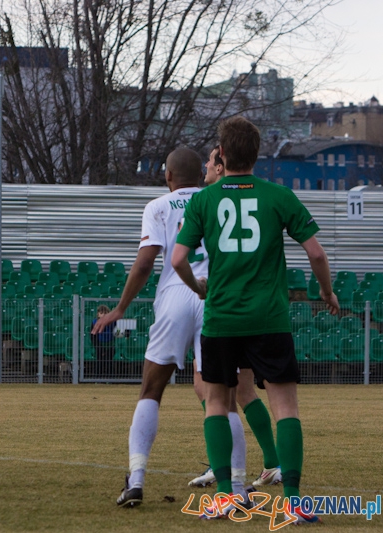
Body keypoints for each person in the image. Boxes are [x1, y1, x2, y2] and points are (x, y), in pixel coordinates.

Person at [172, 116, 338, 524]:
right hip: (269, 318)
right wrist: (326, 291)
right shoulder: (278, 196)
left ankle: (226, 496)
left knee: (215, 402)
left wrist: (197, 286)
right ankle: (295, 501)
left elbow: (177, 258)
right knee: (285, 406)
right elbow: (317, 253)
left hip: (222, 318)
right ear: (257, 154)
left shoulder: (203, 200)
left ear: (222, 155)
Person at [92, 147, 210, 508]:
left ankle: (137, 480)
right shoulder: (218, 200)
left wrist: (119, 309)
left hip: (175, 293)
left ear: (168, 176)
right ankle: (232, 481)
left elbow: (144, 264)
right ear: (201, 174)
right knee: (219, 394)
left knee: (151, 389)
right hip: (215, 297)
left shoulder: (158, 206)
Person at [188, 145, 283, 491]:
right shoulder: (245, 198)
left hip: (218, 303)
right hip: (240, 304)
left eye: (212, 162)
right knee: (240, 391)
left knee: (215, 390)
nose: (207, 169)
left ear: (222, 164)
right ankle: (270, 463)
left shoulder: (207, 201)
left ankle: (228, 471)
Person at [91, 305, 114, 377]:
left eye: (105, 313)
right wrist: (98, 346)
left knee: (109, 362)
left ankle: (109, 379)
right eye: (101, 313)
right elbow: (92, 336)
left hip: (110, 345)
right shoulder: (94, 322)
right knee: (99, 361)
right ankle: (97, 378)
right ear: (98, 314)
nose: (103, 315)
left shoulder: (113, 322)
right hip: (99, 345)